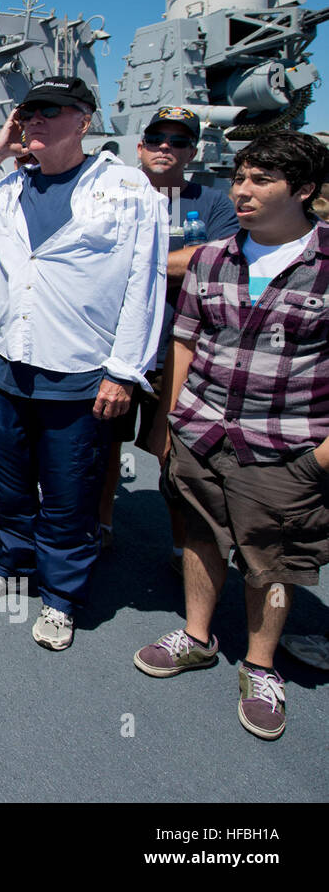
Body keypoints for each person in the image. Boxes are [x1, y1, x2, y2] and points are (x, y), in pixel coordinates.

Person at [0, 76, 168, 652]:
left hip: (81, 373)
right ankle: (14, 556)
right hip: (11, 368)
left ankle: (61, 595)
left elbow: (146, 284)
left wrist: (123, 371)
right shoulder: (10, 186)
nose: (34, 119)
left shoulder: (128, 188)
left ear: (83, 121)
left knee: (68, 492)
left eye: (49, 111)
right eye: (27, 112)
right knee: (11, 483)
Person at [135, 131, 329, 741]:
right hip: (202, 430)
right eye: (240, 177)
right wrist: (175, 420)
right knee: (199, 536)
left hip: (287, 446)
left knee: (271, 561)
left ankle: (260, 663)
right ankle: (196, 635)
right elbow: (186, 340)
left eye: (260, 180)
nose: (242, 190)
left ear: (302, 191)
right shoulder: (212, 258)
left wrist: (320, 459)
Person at [99, 107, 238, 563]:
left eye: (179, 142)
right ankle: (100, 526)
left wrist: (139, 265)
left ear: (193, 152)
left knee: (178, 457)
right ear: (140, 146)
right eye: (157, 138)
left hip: (183, 350)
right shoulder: (114, 195)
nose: (166, 147)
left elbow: (220, 261)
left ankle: (184, 548)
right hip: (116, 346)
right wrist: (180, 264)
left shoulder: (214, 202)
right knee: (103, 446)